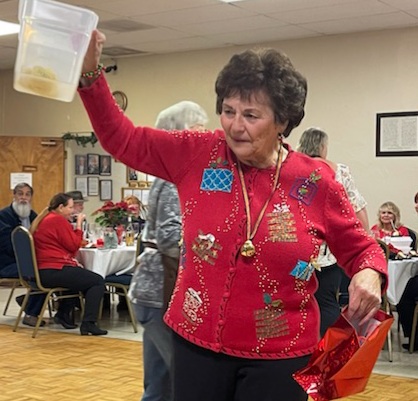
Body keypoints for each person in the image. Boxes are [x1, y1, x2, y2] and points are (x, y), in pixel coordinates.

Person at [78, 30, 387, 401]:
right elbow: (121, 139)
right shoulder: (198, 153)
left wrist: (369, 274)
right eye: (228, 111)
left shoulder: (315, 180)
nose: (235, 126)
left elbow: (362, 249)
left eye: (251, 115)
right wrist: (90, 75)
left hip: (282, 354)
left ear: (283, 121)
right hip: (197, 345)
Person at [128, 100, 208, 401]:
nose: (203, 140)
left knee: (159, 386)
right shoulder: (175, 179)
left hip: (152, 292)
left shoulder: (170, 176)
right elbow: (170, 237)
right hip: (161, 293)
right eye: (196, 133)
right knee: (185, 383)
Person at [297, 127, 370, 336]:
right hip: (327, 253)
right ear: (323, 147)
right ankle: (326, 353)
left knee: (296, 300)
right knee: (327, 301)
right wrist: (364, 241)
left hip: (299, 250)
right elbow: (357, 207)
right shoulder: (339, 171)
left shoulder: (292, 168)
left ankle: (301, 349)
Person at [30, 192, 107, 336]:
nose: (73, 211)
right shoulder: (57, 220)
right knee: (97, 281)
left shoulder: (45, 219)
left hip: (43, 270)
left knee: (77, 277)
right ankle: (88, 323)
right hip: (53, 269)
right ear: (61, 207)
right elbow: (73, 246)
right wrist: (78, 225)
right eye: (71, 207)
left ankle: (63, 313)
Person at [0, 182, 46, 327]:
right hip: (7, 263)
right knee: (43, 272)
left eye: (27, 194)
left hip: (28, 261)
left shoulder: (33, 216)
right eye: (20, 194)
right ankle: (31, 314)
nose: (23, 198)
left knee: (53, 267)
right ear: (14, 195)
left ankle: (28, 300)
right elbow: (8, 245)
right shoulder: (3, 216)